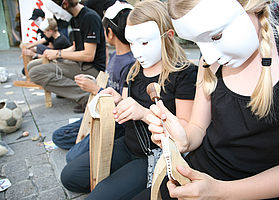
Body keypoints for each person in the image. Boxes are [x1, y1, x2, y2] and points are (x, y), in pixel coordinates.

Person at [142, 0, 279, 199]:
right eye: (197, 42)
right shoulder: (209, 62)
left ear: (253, 5)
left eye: (216, 36)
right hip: (195, 177)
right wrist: (182, 139)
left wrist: (219, 192)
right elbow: (198, 128)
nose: (208, 55)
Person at [60, 1, 198, 199]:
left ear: (168, 37)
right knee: (70, 176)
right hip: (129, 143)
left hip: (154, 155)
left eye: (144, 42)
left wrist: (143, 113)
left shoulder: (184, 74)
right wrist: (116, 100)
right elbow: (127, 105)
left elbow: (185, 131)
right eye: (132, 42)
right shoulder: (134, 70)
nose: (136, 51)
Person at [52, 1, 135, 163]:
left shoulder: (131, 63)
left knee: (72, 157)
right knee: (59, 136)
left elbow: (124, 104)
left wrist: (96, 89)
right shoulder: (115, 56)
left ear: (109, 33)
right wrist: (96, 86)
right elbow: (111, 89)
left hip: (116, 122)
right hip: (103, 110)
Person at [27, 0, 106, 113]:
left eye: (57, 13)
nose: (58, 17)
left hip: (91, 68)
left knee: (35, 73)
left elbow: (89, 56)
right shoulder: (74, 19)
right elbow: (75, 47)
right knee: (32, 66)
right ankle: (70, 91)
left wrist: (58, 53)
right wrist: (56, 53)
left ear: (65, 4)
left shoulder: (89, 18)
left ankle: (86, 96)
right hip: (79, 63)